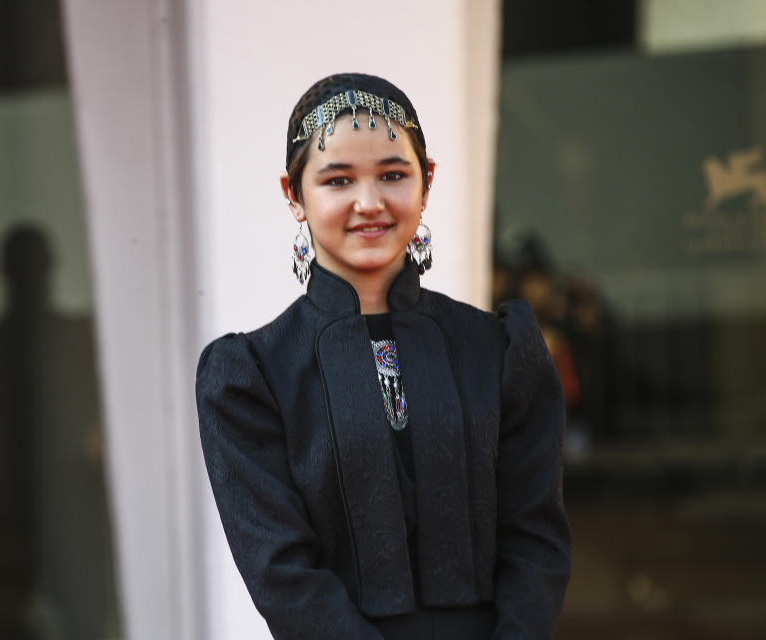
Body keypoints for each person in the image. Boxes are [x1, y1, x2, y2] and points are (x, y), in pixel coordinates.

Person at [196, 73, 571, 640]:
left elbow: (535, 538)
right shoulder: (251, 377)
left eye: (393, 175)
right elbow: (283, 575)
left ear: (427, 182)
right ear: (293, 195)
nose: (369, 203)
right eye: (338, 180)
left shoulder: (497, 349)